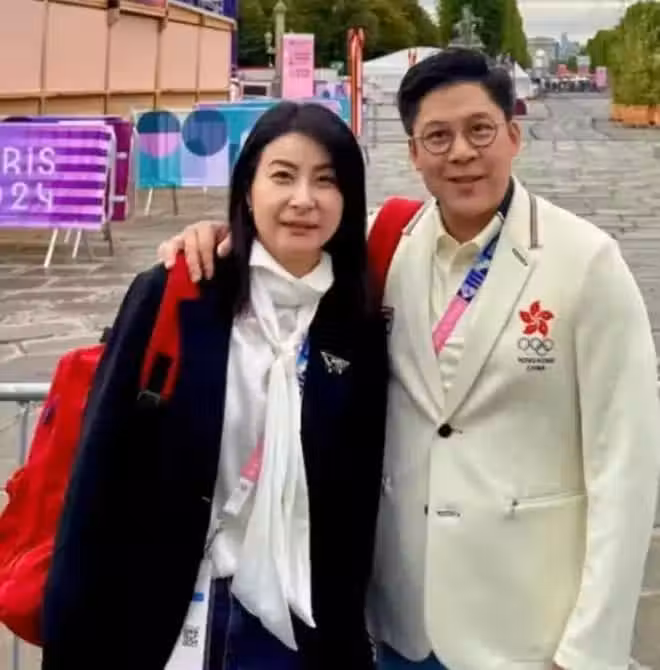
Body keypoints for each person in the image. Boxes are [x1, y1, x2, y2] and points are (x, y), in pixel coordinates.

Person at [157, 49, 660, 670]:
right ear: (414, 153)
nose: (462, 153)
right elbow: (290, 234)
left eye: (480, 130)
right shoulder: (385, 244)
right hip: (404, 623)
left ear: (513, 135)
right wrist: (214, 235)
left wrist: (588, 651)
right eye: (438, 137)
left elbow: (626, 468)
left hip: (526, 627)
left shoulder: (586, 263)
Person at [42, 101, 388, 670]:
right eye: (283, 176)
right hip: (170, 609)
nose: (304, 199)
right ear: (247, 189)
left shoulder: (357, 319)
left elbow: (356, 495)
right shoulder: (180, 292)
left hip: (299, 624)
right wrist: (72, 625)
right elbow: (100, 467)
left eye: (326, 181)